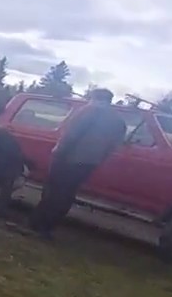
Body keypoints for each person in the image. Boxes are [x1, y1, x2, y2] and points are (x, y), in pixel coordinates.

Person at [25, 88, 126, 239]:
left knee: (53, 191)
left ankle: (37, 224)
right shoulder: (118, 120)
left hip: (68, 158)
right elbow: (113, 145)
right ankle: (50, 227)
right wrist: (99, 159)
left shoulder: (88, 111)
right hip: (89, 163)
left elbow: (71, 134)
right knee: (68, 194)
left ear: (94, 98)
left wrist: (58, 152)